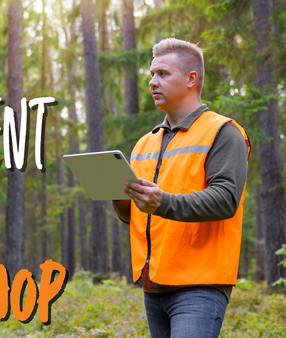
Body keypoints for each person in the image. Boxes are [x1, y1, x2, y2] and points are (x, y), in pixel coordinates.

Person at [112, 38, 250, 338]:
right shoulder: (145, 143)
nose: (153, 82)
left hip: (199, 285)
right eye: (151, 74)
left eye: (162, 74)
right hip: (153, 285)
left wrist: (162, 202)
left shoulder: (223, 132)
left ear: (191, 79)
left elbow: (226, 199)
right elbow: (135, 215)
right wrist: (116, 195)